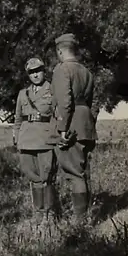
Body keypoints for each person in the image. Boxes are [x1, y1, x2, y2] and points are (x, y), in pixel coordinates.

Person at [51, 33, 96, 222]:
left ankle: (80, 222)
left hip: (70, 125)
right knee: (82, 171)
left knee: (74, 173)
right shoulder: (86, 71)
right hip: (85, 123)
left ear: (60, 51)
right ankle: (84, 217)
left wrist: (62, 129)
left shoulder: (62, 70)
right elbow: (90, 101)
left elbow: (65, 102)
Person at [13, 56, 58, 224]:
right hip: (26, 140)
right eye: (31, 72)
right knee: (33, 176)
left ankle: (50, 213)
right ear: (28, 75)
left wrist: (56, 136)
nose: (35, 75)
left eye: (38, 71)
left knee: (47, 176)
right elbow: (18, 119)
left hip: (45, 139)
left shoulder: (52, 91)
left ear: (44, 71)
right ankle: (38, 213)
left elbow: (57, 115)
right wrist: (17, 137)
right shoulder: (23, 94)